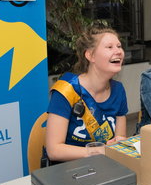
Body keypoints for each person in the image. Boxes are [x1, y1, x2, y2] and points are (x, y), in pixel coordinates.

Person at [45, 24, 128, 162]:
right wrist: (99, 151)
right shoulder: (66, 90)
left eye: (119, 46)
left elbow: (119, 141)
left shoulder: (118, 90)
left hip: (106, 166)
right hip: (69, 170)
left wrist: (120, 143)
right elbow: (54, 150)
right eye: (109, 47)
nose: (118, 51)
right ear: (90, 55)